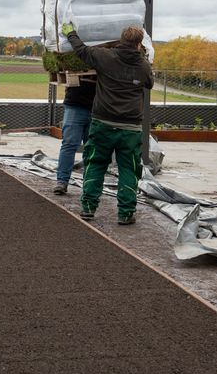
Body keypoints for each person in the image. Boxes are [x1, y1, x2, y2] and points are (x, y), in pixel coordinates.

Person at [61, 22, 153, 225]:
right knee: (128, 169)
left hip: (102, 123)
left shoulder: (105, 57)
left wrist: (71, 33)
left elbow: (81, 50)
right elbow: (149, 83)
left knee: (95, 164)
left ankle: (88, 208)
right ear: (139, 44)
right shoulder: (143, 66)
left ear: (121, 41)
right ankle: (126, 213)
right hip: (130, 128)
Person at [53, 79, 96, 195]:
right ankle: (62, 181)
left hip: (98, 108)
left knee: (92, 148)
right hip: (75, 104)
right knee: (69, 144)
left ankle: (90, 184)